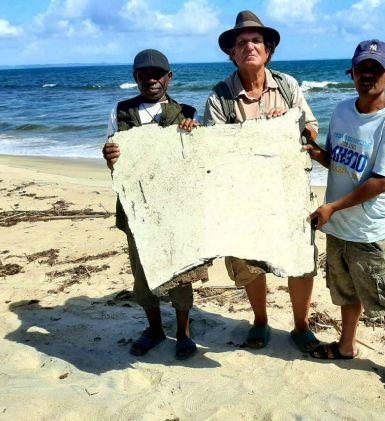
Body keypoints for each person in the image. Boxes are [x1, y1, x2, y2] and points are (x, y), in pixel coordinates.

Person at [204, 11, 320, 352]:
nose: (249, 47)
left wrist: (290, 122)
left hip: (288, 191)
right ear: (232, 52)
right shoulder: (220, 96)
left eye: (256, 40)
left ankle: (301, 326)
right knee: (247, 262)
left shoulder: (287, 86)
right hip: (244, 196)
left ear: (268, 49)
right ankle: (260, 320)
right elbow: (213, 150)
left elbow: (312, 130)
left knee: (300, 260)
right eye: (241, 42)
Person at [304, 40, 385, 396]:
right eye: (362, 68)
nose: (368, 75)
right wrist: (315, 153)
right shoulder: (341, 110)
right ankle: (346, 345)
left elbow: (382, 181)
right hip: (337, 226)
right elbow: (338, 159)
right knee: (345, 291)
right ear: (351, 73)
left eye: (376, 69)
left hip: (369, 230)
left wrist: (332, 207)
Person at [102, 49, 200, 360]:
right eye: (143, 74)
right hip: (136, 207)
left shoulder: (187, 113)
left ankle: (183, 331)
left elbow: (197, 162)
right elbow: (112, 155)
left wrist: (194, 135)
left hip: (175, 207)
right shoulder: (121, 111)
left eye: (157, 74)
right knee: (142, 271)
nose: (151, 79)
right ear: (135, 78)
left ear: (169, 77)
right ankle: (155, 329)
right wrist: (109, 156)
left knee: (181, 270)